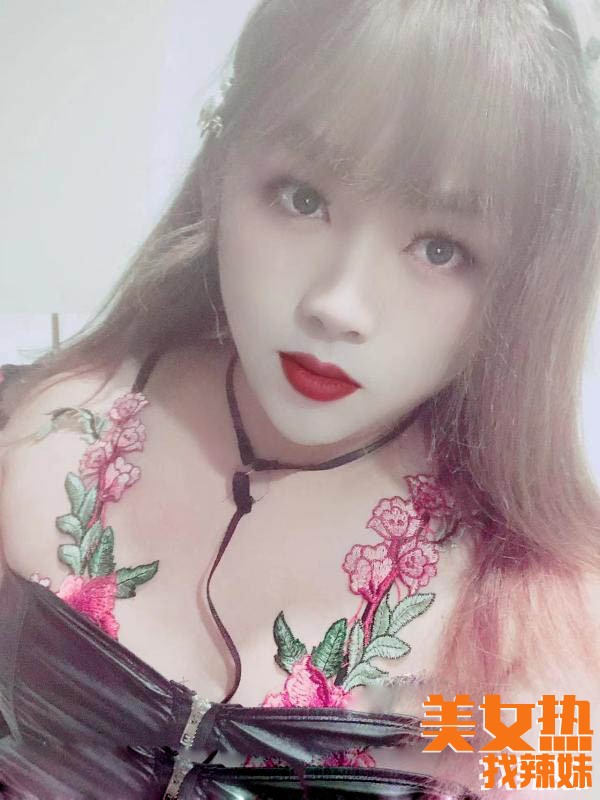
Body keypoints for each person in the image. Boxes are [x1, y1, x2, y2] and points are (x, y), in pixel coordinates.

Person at [1, 1, 599, 798]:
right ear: (220, 170)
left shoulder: (551, 626)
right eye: (303, 198)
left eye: (440, 248)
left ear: (523, 291)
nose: (338, 305)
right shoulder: (41, 426)